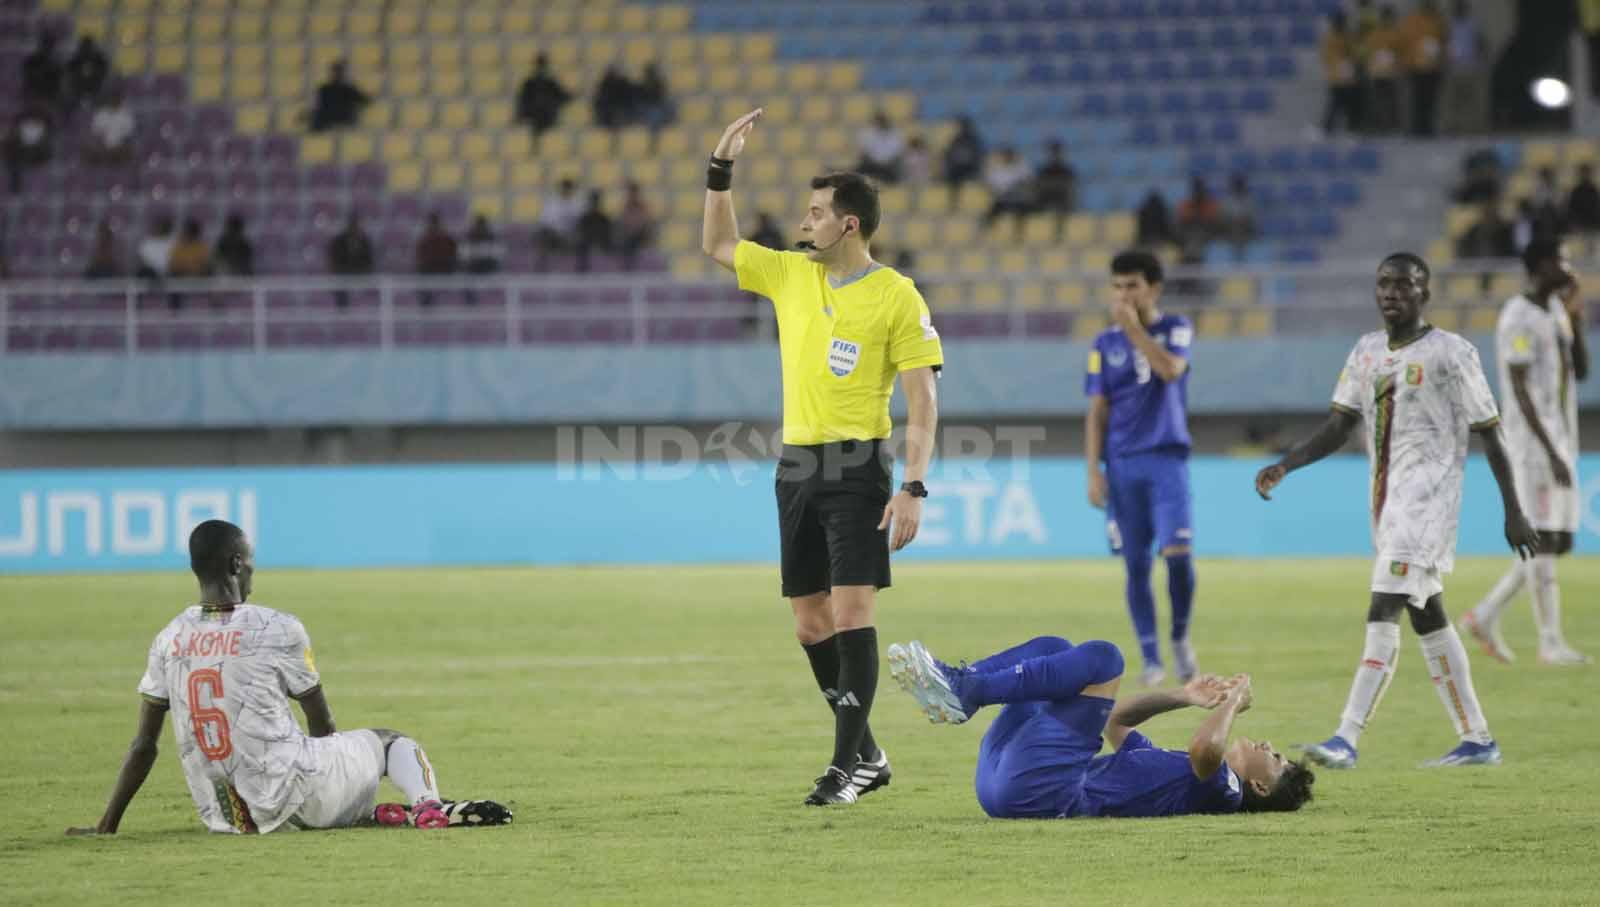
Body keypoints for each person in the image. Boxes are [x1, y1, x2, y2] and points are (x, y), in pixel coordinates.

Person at [701, 109, 944, 806]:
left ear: (849, 225)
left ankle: (842, 769)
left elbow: (922, 400)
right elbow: (718, 241)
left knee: (851, 612)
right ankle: (868, 753)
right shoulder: (788, 275)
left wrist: (915, 486)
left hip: (859, 467)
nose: (804, 222)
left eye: (815, 212)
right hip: (797, 465)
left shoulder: (897, 295)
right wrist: (722, 165)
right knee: (809, 622)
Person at [1255, 253, 1539, 769]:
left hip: (1429, 503)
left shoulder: (1453, 354)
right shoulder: (1365, 352)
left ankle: (1346, 737)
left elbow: (1491, 433)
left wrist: (1513, 510)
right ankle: (1477, 739)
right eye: (1383, 284)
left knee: (1381, 606)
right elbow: (1340, 426)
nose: (1391, 293)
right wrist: (1287, 465)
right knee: (1427, 614)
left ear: (1424, 293)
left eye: (1403, 285)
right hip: (1386, 506)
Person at [66, 520, 511, 836]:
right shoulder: (275, 627)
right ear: (237, 564)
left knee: (322, 779)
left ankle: (354, 813)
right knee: (389, 742)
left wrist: (107, 825)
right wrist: (336, 773)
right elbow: (323, 727)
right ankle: (428, 807)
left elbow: (143, 746)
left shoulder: (169, 638)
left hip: (227, 819)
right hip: (297, 791)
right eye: (253, 563)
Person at [884, 637, 1315, 818]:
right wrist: (1183, 697)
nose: (1268, 745)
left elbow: (1207, 748)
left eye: (1274, 758)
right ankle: (959, 685)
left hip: (1045, 790)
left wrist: (1235, 702)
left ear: (1260, 787)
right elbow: (1116, 721)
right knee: (1054, 651)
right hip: (1007, 786)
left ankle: (967, 689)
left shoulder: (1226, 790)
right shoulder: (1174, 772)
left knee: (1106, 658)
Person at [1461, 241, 1590, 665]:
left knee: (1560, 541)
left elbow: (1582, 371)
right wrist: (1549, 448)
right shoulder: (1517, 316)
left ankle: (1485, 613)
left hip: (1560, 438)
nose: (1569, 268)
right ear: (1540, 266)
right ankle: (1550, 642)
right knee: (1544, 540)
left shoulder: (1554, 310)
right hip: (1533, 444)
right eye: (1562, 260)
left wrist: (1577, 319)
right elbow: (1517, 387)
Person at [1085, 251, 1198, 687]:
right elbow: (1096, 410)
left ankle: (1180, 636)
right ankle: (1152, 659)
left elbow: (1171, 370)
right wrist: (1093, 470)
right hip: (1121, 466)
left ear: (1153, 288)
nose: (1123, 294)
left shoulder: (1176, 329)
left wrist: (1134, 330)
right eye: (1117, 286)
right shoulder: (1102, 345)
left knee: (1179, 557)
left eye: (1132, 285)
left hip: (1166, 460)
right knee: (1135, 565)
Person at [1441, 0, 1488, 134]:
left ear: (1466, 9)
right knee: (1453, 100)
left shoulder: (1474, 24)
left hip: (1471, 67)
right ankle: (1452, 126)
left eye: (1461, 7)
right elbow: (1444, 43)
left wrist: (1483, 62)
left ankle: (1475, 127)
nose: (1458, 10)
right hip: (1453, 67)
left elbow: (1482, 43)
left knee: (1473, 99)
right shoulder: (1448, 24)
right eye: (1456, 8)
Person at [1400, 0, 1445, 136]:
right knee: (1417, 100)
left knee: (1430, 100)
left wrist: (1441, 60)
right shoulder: (1412, 21)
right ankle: (1416, 128)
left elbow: (1443, 41)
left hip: (1433, 67)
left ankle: (1428, 128)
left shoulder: (1438, 21)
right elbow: (1405, 43)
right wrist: (1406, 64)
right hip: (1416, 67)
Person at [1363, 6, 1403, 133]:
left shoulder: (1396, 33)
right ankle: (1378, 126)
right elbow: (1369, 52)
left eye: (1390, 18)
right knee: (1378, 102)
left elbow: (1400, 51)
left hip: (1391, 74)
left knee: (1392, 102)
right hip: (1377, 74)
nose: (1389, 20)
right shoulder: (1375, 34)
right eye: (1387, 18)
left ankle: (1392, 127)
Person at [1322, 11, 1364, 134]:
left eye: (1342, 22)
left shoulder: (1349, 37)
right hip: (1336, 76)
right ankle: (1328, 127)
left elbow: (1356, 54)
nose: (1340, 25)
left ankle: (1351, 127)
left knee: (1348, 103)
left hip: (1348, 76)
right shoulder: (1330, 38)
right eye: (1338, 22)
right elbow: (1327, 57)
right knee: (1335, 103)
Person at [514, 54, 571, 140]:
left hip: (546, 116)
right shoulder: (530, 83)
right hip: (535, 116)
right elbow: (522, 101)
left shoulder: (549, 82)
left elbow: (563, 97)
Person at [326, 213, 374, 307]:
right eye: (353, 225)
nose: (356, 228)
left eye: (358, 225)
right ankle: (342, 310)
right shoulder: (338, 242)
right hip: (343, 276)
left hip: (361, 276)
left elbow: (370, 262)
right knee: (340, 289)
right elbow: (334, 262)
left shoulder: (365, 242)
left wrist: (361, 275)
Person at [983, 146, 1033, 235]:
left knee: (1024, 208)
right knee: (993, 210)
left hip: (1017, 198)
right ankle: (989, 232)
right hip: (1003, 198)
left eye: (1010, 155)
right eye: (1006, 155)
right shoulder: (997, 170)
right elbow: (991, 185)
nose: (1008, 157)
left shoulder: (1020, 168)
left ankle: (1019, 232)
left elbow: (1028, 181)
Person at [534, 179, 584, 269]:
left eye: (568, 188)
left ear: (572, 190)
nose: (566, 190)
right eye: (564, 188)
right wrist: (556, 232)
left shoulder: (578, 204)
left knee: (582, 236)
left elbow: (580, 223)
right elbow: (544, 222)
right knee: (543, 235)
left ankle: (581, 267)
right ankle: (541, 266)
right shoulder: (552, 203)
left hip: (571, 236)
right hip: (554, 236)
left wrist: (571, 233)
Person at [309, 61, 370, 132]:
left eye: (338, 72)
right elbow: (365, 101)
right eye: (336, 72)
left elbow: (364, 101)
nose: (337, 75)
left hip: (341, 120)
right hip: (332, 119)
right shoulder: (325, 89)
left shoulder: (348, 89)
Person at [1034, 140, 1077, 237]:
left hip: (1061, 197)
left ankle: (1059, 231)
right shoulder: (1044, 170)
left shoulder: (1067, 170)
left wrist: (1054, 185)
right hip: (1046, 196)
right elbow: (1039, 186)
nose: (1055, 155)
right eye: (1053, 152)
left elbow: (1070, 186)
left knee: (1062, 206)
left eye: (1057, 152)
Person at [415, 212, 458, 305]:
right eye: (432, 223)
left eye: (435, 223)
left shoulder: (446, 238)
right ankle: (426, 299)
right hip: (430, 269)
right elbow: (420, 256)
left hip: (444, 268)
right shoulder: (425, 239)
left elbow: (454, 253)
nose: (433, 226)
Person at [941, 116, 984, 207]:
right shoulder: (956, 139)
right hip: (957, 168)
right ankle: (954, 202)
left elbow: (978, 156)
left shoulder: (974, 140)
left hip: (970, 168)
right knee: (951, 177)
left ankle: (966, 202)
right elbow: (949, 154)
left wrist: (967, 160)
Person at [84, 88, 134, 165]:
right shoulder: (101, 114)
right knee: (88, 150)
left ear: (119, 100)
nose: (114, 101)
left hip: (119, 147)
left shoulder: (126, 114)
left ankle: (114, 162)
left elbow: (129, 136)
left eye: (116, 99)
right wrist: (100, 144)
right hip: (103, 147)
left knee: (126, 151)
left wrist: (118, 145)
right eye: (112, 99)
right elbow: (95, 133)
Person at [856, 110, 905, 184]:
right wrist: (875, 161)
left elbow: (897, 152)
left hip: (889, 165)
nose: (880, 123)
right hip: (871, 163)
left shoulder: (895, 134)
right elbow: (865, 151)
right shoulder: (867, 133)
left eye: (882, 121)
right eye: (878, 121)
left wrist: (885, 161)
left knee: (897, 168)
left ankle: (893, 186)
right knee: (860, 167)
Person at [616, 182, 656, 270]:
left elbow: (646, 222)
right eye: (629, 193)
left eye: (632, 192)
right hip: (628, 240)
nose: (630, 195)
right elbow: (622, 223)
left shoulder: (642, 207)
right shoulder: (625, 207)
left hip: (641, 238)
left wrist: (636, 226)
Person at [65, 34, 110, 107]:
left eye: (89, 46)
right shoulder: (77, 58)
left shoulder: (98, 58)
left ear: (92, 47)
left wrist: (96, 74)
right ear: (81, 47)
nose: (87, 48)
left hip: (94, 88)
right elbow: (69, 70)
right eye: (85, 46)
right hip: (78, 89)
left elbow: (104, 70)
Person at [1218, 173, 1257, 257]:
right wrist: (1233, 220)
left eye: (1240, 185)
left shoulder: (1249, 201)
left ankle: (1240, 250)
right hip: (1230, 228)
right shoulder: (1227, 201)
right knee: (1233, 228)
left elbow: (1252, 218)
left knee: (1241, 228)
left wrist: (1243, 220)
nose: (1238, 187)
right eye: (1236, 185)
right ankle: (1236, 250)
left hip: (1245, 228)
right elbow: (1223, 217)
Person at [574, 190, 613, 273]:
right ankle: (582, 268)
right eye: (593, 202)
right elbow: (580, 231)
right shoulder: (585, 218)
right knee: (581, 244)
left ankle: (610, 268)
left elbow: (608, 232)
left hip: (601, 241)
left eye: (595, 201)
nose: (594, 204)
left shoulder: (603, 218)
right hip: (587, 242)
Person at [1567, 163, 1600, 255]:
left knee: (1592, 250)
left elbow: (1597, 207)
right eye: (1583, 173)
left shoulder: (1594, 190)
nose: (1585, 175)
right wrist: (1574, 223)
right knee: (1580, 250)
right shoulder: (1576, 190)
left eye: (1587, 173)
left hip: (1593, 224)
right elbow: (1572, 208)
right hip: (1580, 224)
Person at [21, 33, 62, 106]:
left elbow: (57, 86)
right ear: (42, 45)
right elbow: (28, 79)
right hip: (33, 97)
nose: (48, 47)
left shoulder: (56, 65)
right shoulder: (32, 61)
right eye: (46, 44)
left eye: (51, 45)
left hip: (49, 99)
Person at [593, 64, 638, 130]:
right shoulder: (604, 88)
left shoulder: (623, 85)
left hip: (621, 115)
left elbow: (630, 101)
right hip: (609, 117)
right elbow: (599, 104)